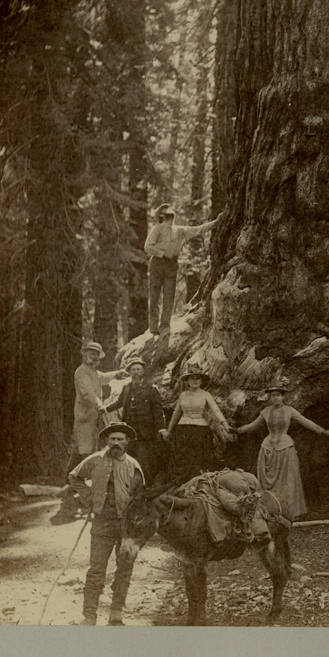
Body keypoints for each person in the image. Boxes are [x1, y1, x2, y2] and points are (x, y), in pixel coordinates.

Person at [68, 422, 144, 626]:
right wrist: (88, 498)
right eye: (113, 439)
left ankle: (116, 612)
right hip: (101, 524)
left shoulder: (133, 466)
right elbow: (74, 477)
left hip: (125, 527)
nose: (116, 443)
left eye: (120, 439)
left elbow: (140, 497)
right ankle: (89, 615)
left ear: (127, 442)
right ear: (107, 441)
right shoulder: (95, 460)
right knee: (96, 569)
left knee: (124, 569)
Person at [229, 376, 329, 521]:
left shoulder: (290, 411)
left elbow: (306, 422)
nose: (275, 398)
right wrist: (237, 430)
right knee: (266, 481)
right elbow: (253, 425)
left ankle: (289, 511)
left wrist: (322, 431)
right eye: (272, 396)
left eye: (278, 395)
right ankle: (269, 510)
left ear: (283, 396)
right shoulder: (265, 411)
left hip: (285, 448)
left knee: (287, 480)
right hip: (268, 448)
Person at [52, 342, 128, 525]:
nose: (93, 357)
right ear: (84, 354)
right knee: (86, 450)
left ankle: (68, 482)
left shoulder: (93, 371)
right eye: (90, 353)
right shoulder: (81, 372)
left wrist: (116, 374)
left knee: (80, 449)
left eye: (96, 354)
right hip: (85, 416)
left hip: (93, 416)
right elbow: (87, 392)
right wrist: (99, 404)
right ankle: (86, 488)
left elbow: (102, 378)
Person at [143, 203, 224, 336]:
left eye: (170, 213)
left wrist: (216, 222)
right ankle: (153, 328)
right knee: (155, 295)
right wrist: (162, 253)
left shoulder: (179, 230)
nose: (169, 215)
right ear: (162, 216)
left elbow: (198, 229)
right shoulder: (157, 229)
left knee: (169, 296)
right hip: (157, 264)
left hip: (171, 265)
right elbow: (148, 247)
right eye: (166, 214)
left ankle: (164, 327)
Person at [163, 364, 231, 485]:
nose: (195, 381)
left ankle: (197, 486)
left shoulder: (205, 394)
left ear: (201, 381)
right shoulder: (183, 395)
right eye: (192, 378)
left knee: (199, 460)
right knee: (181, 459)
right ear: (187, 381)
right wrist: (169, 432)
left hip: (200, 431)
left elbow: (216, 410)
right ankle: (181, 486)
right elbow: (176, 414)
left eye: (198, 378)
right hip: (182, 431)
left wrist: (224, 424)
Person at [111, 356, 167, 486]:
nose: (136, 372)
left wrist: (162, 428)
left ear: (143, 372)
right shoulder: (126, 389)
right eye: (133, 369)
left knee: (143, 462)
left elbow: (158, 411)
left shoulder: (151, 389)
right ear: (129, 372)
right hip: (129, 433)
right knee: (127, 460)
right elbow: (118, 403)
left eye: (138, 369)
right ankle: (128, 488)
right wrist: (105, 408)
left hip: (144, 434)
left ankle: (146, 490)